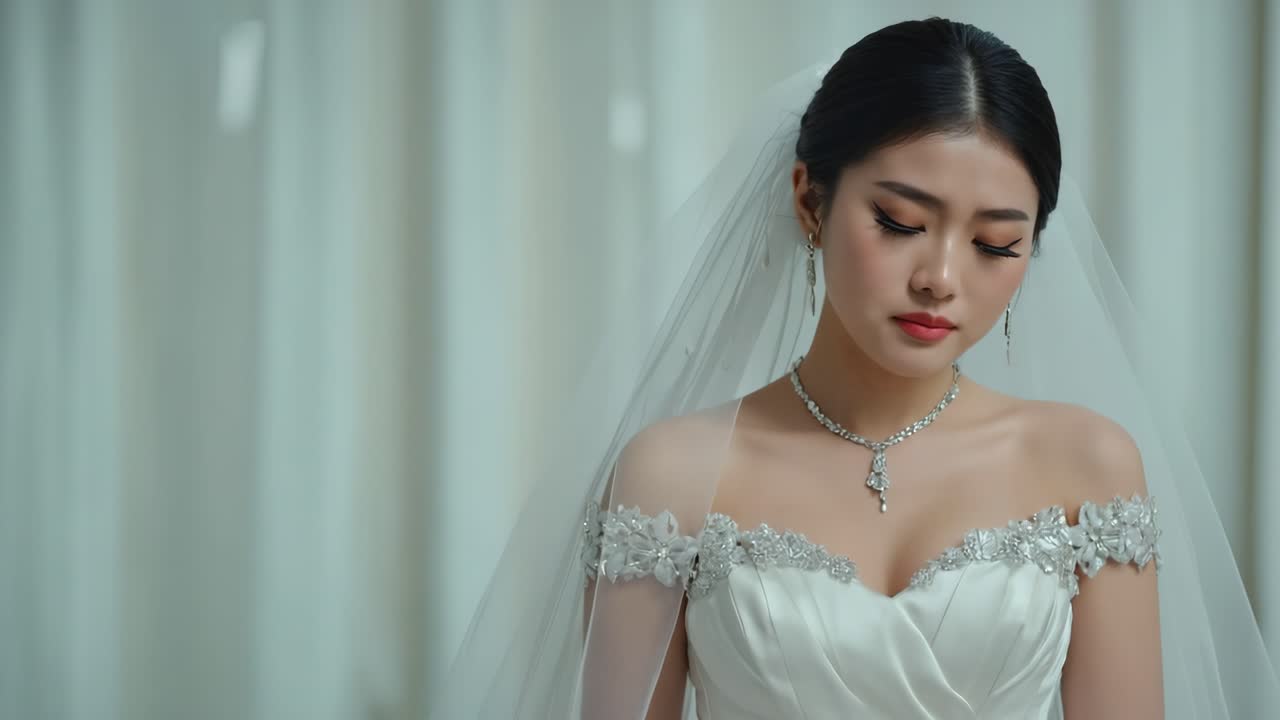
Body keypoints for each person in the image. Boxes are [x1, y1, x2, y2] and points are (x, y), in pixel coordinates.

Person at [431, 17, 1280, 719]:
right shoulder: (672, 473)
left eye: (995, 244)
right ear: (810, 199)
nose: (942, 278)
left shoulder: (1088, 466)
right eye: (902, 221)